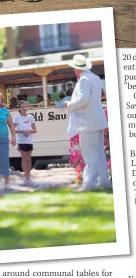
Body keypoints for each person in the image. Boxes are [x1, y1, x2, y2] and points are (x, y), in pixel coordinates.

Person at [63, 55, 111, 191]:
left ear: (76, 68)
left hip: (88, 122)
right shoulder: (94, 78)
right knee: (99, 153)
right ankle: (104, 181)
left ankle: (89, 184)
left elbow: (84, 99)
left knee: (89, 154)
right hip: (98, 120)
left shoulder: (84, 79)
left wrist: (69, 104)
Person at [13, 101, 37, 186]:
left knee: (28, 159)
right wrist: (22, 131)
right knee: (24, 159)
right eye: (22, 107)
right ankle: (25, 177)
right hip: (21, 141)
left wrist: (30, 131)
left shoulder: (30, 117)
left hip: (29, 140)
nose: (24, 108)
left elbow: (35, 129)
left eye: (25, 107)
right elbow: (13, 129)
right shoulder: (17, 118)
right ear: (19, 108)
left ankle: (29, 177)